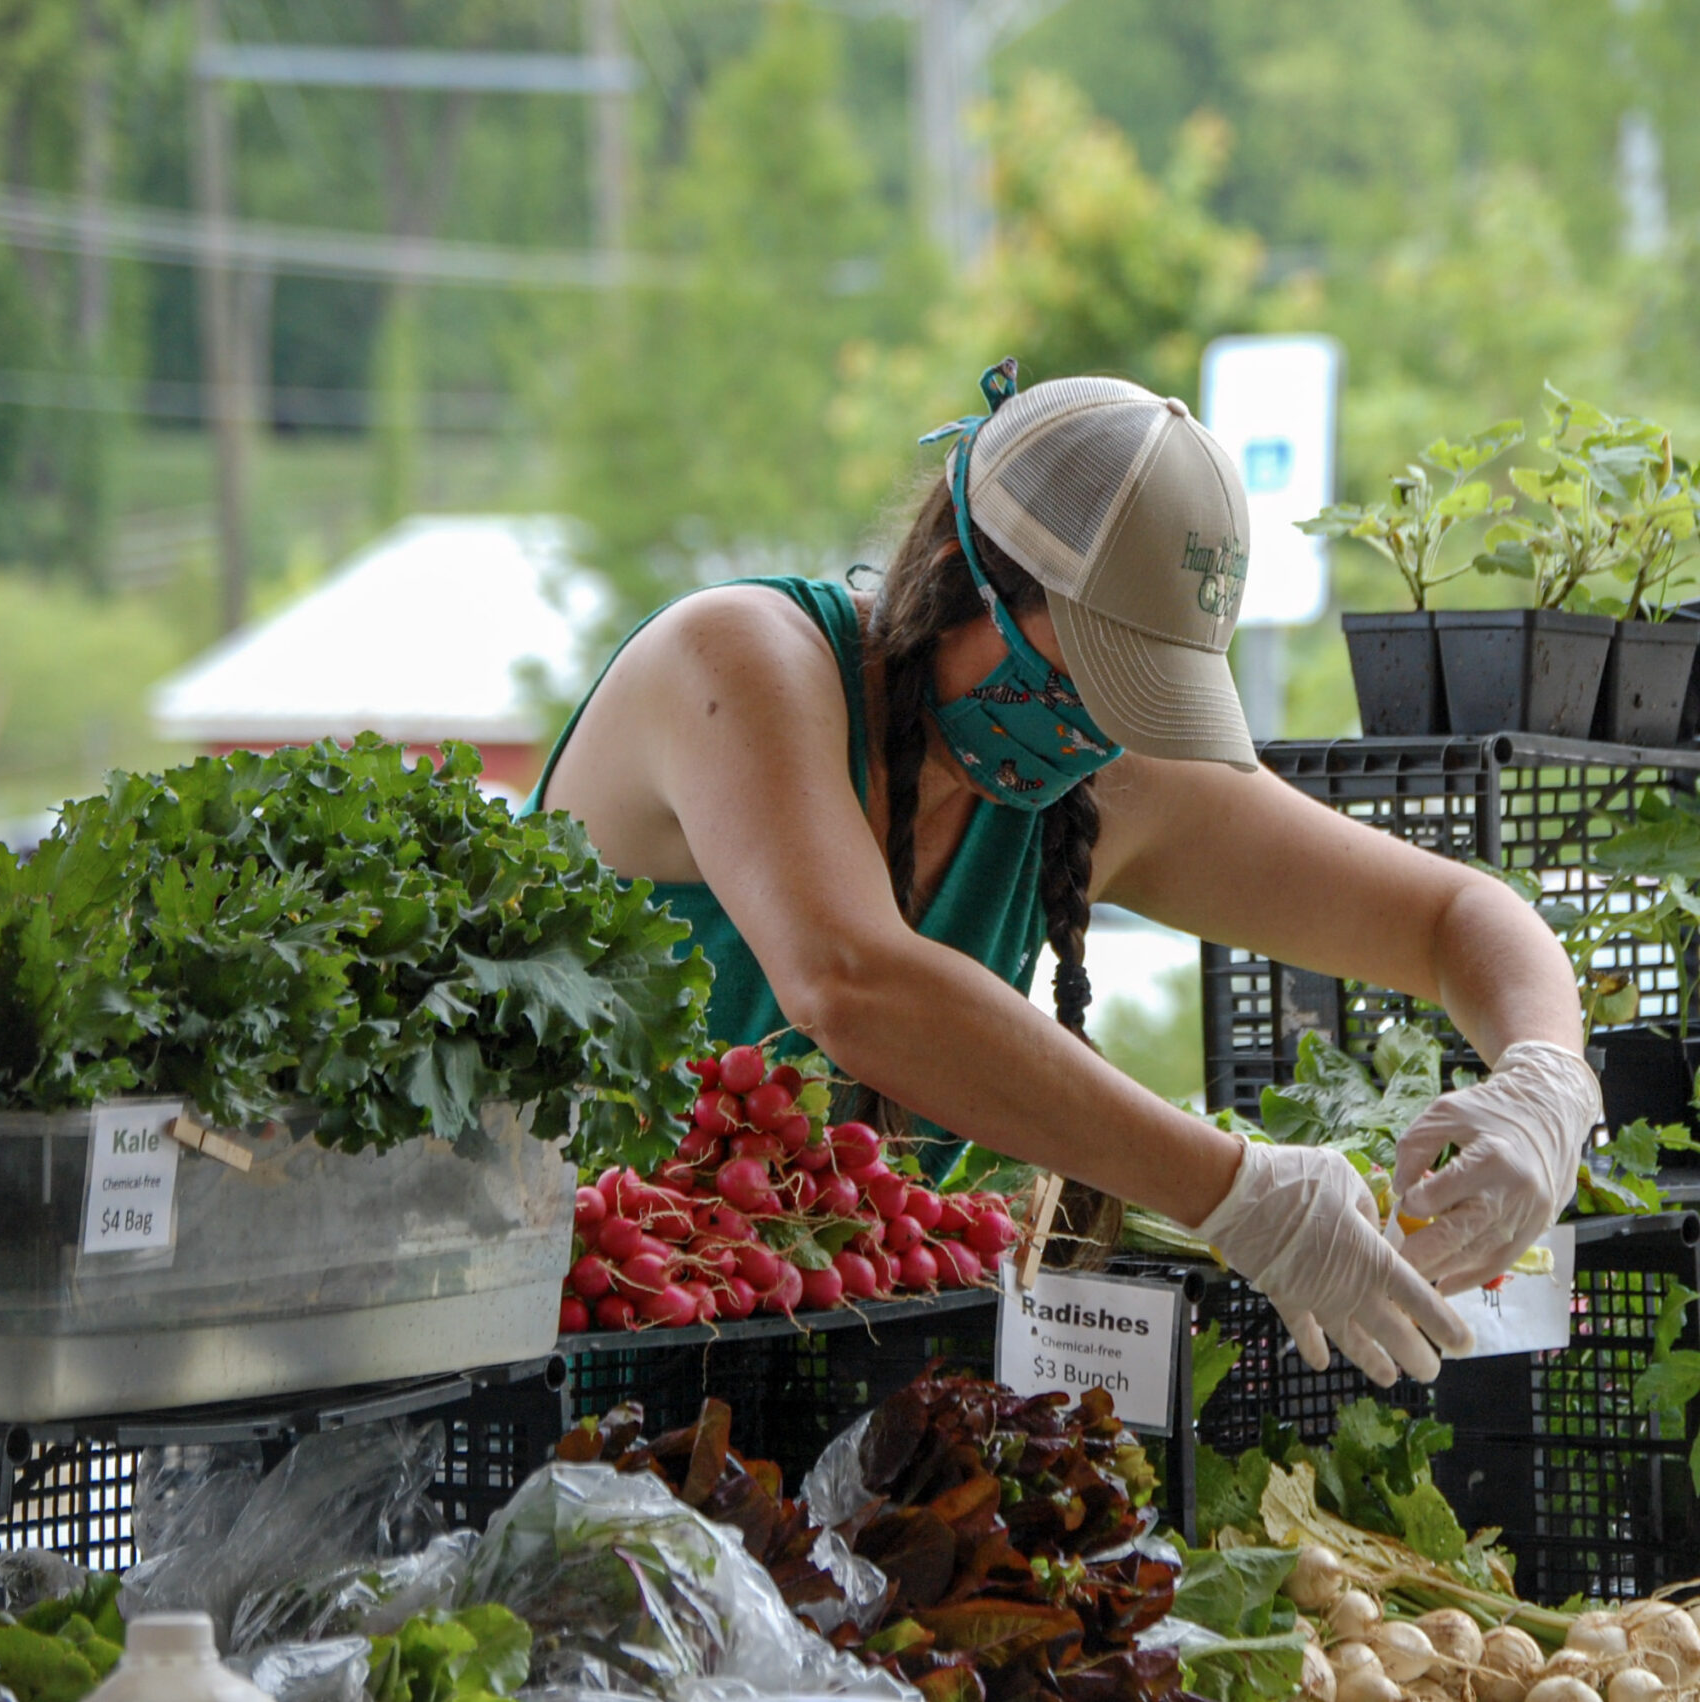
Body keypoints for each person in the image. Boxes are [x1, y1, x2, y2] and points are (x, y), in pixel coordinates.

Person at [530, 361, 1599, 1385]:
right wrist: (1235, 1190)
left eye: (1134, 700)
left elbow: (1452, 914)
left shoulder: (1087, 776)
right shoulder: (735, 663)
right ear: (961, 573)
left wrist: (1545, 1078)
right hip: (560, 1353)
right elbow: (852, 982)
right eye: (1082, 673)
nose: (1095, 728)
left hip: (814, 1374)